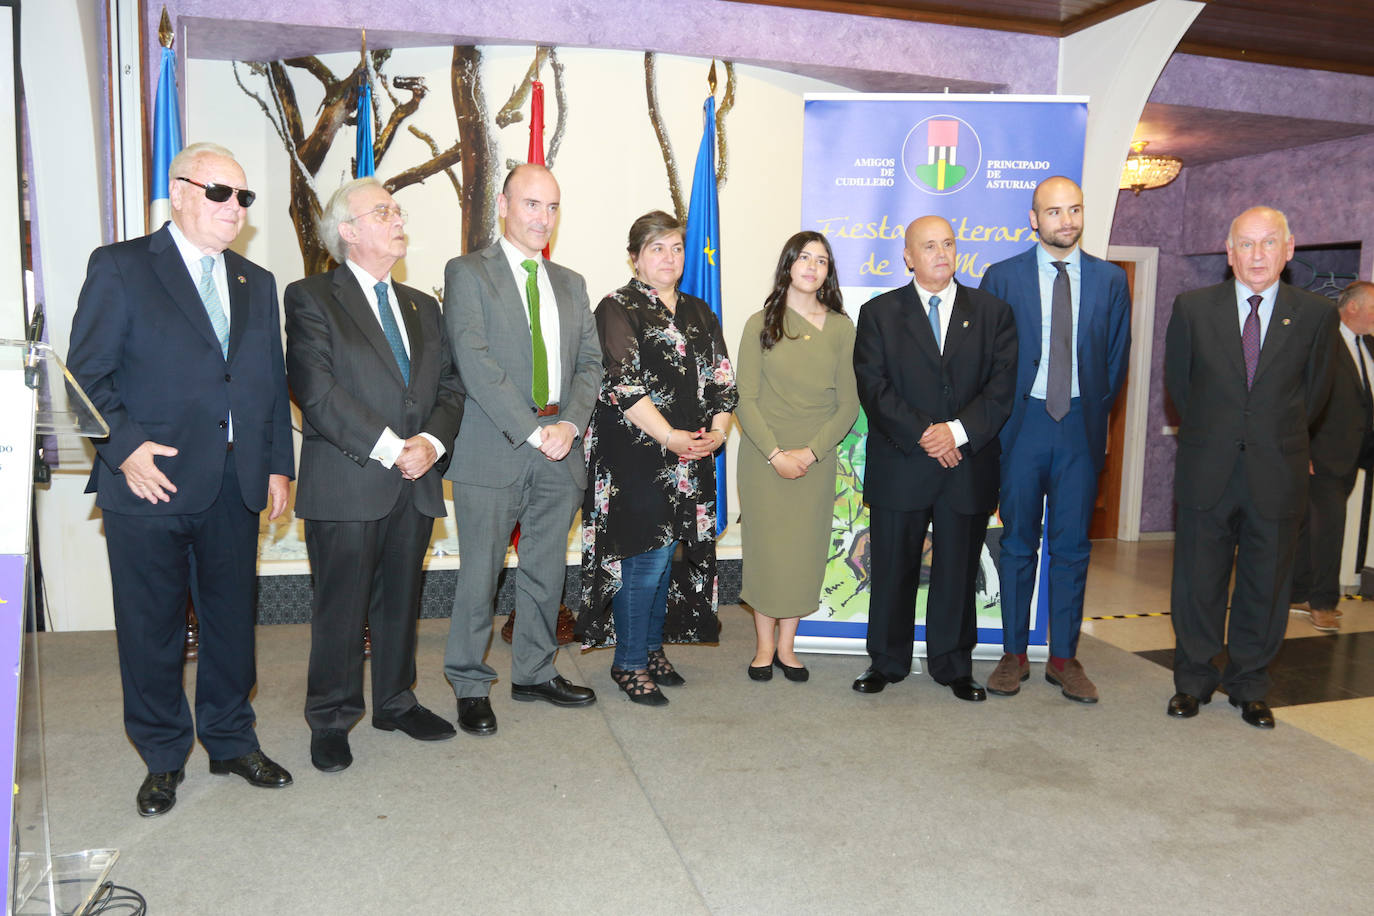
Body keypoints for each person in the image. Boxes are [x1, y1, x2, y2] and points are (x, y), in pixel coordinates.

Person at [67, 142, 294, 817]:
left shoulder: (257, 280)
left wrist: (279, 462)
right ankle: (163, 756)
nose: (235, 209)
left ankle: (229, 740)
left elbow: (266, 382)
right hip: (149, 484)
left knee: (231, 626)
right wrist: (124, 449)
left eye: (243, 197)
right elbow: (85, 379)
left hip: (234, 485)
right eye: (221, 193)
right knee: (152, 631)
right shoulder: (122, 267)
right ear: (181, 192)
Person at [284, 178, 465, 773]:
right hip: (349, 478)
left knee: (400, 602)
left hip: (415, 479)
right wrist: (394, 449)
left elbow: (448, 388)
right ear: (348, 230)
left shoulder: (422, 305)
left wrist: (431, 443)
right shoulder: (312, 297)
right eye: (382, 211)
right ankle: (331, 717)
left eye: (397, 209)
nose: (397, 218)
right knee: (341, 607)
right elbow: (316, 391)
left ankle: (395, 700)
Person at [441, 164, 603, 735]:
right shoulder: (467, 273)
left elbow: (590, 364)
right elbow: (474, 361)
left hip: (561, 444)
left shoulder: (572, 283)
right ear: (505, 205)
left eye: (553, 207)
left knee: (544, 569)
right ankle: (467, 680)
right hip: (494, 446)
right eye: (532, 204)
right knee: (480, 574)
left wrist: (571, 425)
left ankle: (535, 670)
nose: (543, 218)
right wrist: (534, 431)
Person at [1164, 206, 1339, 729]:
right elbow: (1180, 387)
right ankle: (1192, 682)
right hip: (1207, 469)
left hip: (1276, 472)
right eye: (1246, 243)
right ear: (1229, 251)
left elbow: (1316, 395)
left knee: (1266, 586)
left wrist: (1270, 438)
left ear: (1289, 250)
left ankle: (1249, 685)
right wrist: (1221, 436)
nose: (1257, 254)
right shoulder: (1193, 308)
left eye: (1268, 243)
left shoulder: (1315, 315)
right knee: (1198, 582)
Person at [978, 176, 1131, 703]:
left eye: (1075, 210)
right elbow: (988, 364)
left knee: (1071, 548)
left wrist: (1092, 421)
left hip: (1079, 430)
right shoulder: (1002, 277)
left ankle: (1064, 658)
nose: (1066, 221)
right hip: (1020, 429)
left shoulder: (1111, 281)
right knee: (1018, 545)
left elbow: (1114, 363)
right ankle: (1014, 655)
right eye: (1054, 212)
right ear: (1033, 219)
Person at [851, 216, 1017, 700]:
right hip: (903, 460)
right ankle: (886, 661)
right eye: (928, 246)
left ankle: (953, 665)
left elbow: (1000, 389)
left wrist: (956, 433)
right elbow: (873, 387)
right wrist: (926, 433)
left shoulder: (993, 312)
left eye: (948, 243)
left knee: (958, 571)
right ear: (908, 256)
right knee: (892, 570)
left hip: (966, 463)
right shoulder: (879, 312)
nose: (941, 253)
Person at [577, 210, 737, 706]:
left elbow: (723, 380)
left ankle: (649, 648)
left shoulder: (698, 311)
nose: (669, 258)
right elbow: (622, 386)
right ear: (635, 258)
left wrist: (717, 431)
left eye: (676, 248)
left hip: (692, 456)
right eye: (656, 249)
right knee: (642, 560)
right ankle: (628, 662)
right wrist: (670, 437)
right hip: (637, 458)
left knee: (670, 555)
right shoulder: (616, 307)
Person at [735, 231, 858, 682]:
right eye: (804, 257)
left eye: (821, 260)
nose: (812, 266)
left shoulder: (843, 328)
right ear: (788, 264)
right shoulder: (759, 323)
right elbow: (744, 398)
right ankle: (764, 647)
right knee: (768, 550)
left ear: (829, 272)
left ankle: (789, 647)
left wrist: (809, 452)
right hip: (764, 456)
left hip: (817, 457)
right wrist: (775, 453)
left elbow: (849, 404)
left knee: (803, 551)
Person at [1290, 280, 1374, 633]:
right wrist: (1303, 447)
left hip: (1353, 454)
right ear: (1352, 307)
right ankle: (1323, 603)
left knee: (1313, 528)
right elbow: (1300, 397)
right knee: (1329, 530)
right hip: (1322, 454)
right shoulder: (1322, 341)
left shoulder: (1367, 344)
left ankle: (1300, 592)